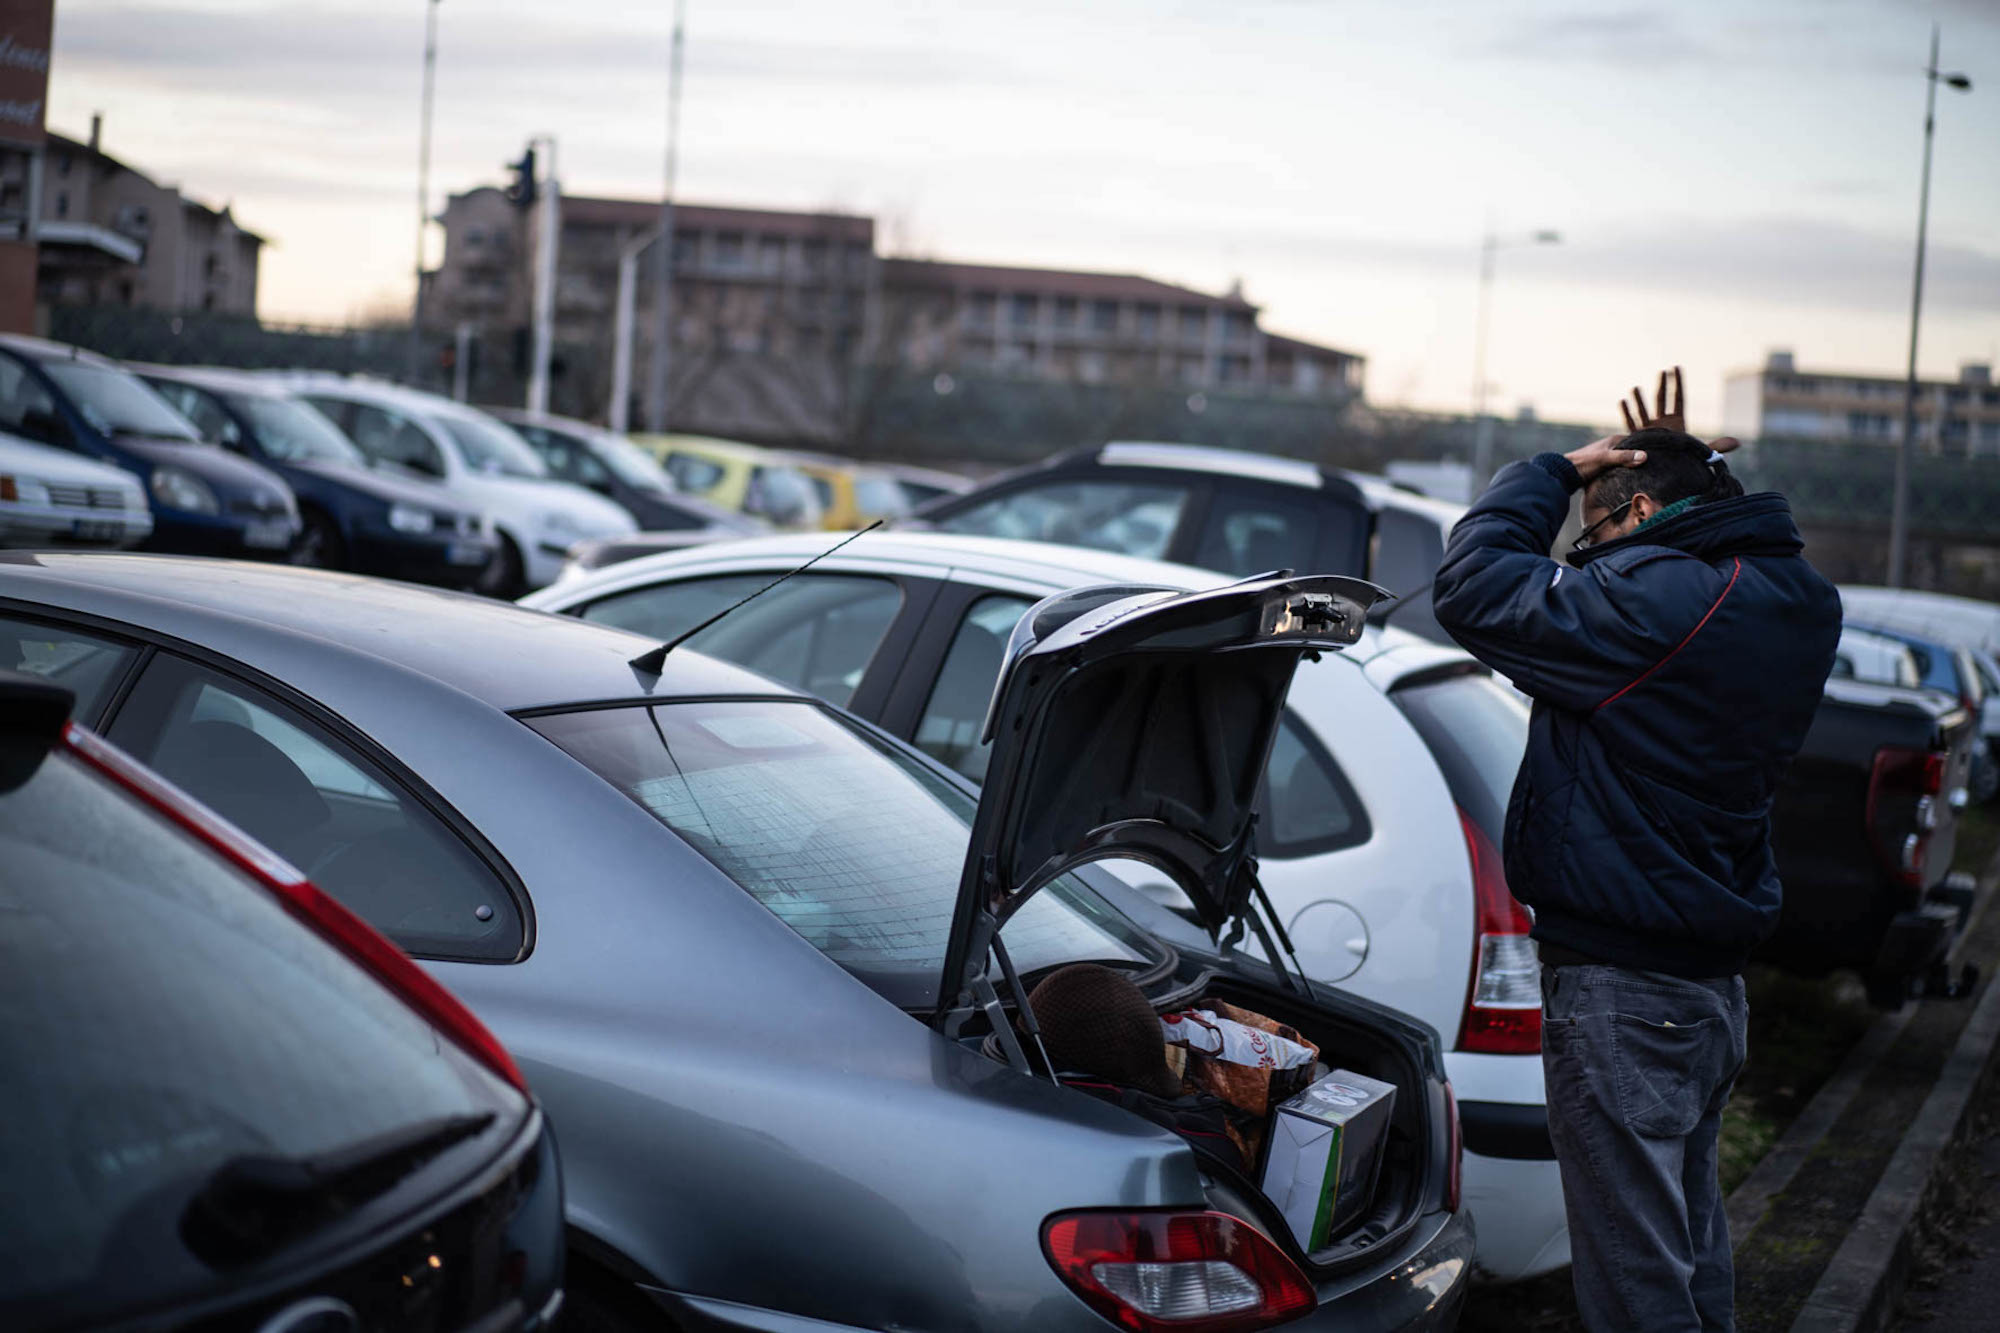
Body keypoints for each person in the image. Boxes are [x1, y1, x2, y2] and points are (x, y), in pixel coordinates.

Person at [1430, 369, 1842, 1332]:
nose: (1588, 561)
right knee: (1689, 1260)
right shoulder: (1785, 599)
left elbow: (1473, 585)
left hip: (1625, 995)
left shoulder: (1663, 609)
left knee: (1634, 1288)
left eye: (1598, 538)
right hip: (1702, 990)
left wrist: (1553, 470)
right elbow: (1692, 553)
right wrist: (1680, 471)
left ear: (1643, 511)